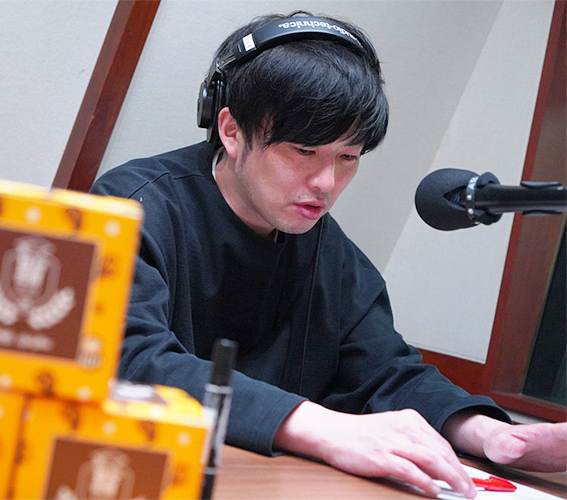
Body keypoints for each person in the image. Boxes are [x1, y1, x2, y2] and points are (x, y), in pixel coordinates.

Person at [90, 11, 567, 498]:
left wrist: (492, 435)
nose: (326, 182)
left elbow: (385, 372)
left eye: (348, 157)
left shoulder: (332, 252)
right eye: (303, 151)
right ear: (231, 130)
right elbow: (126, 358)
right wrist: (319, 427)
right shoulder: (132, 207)